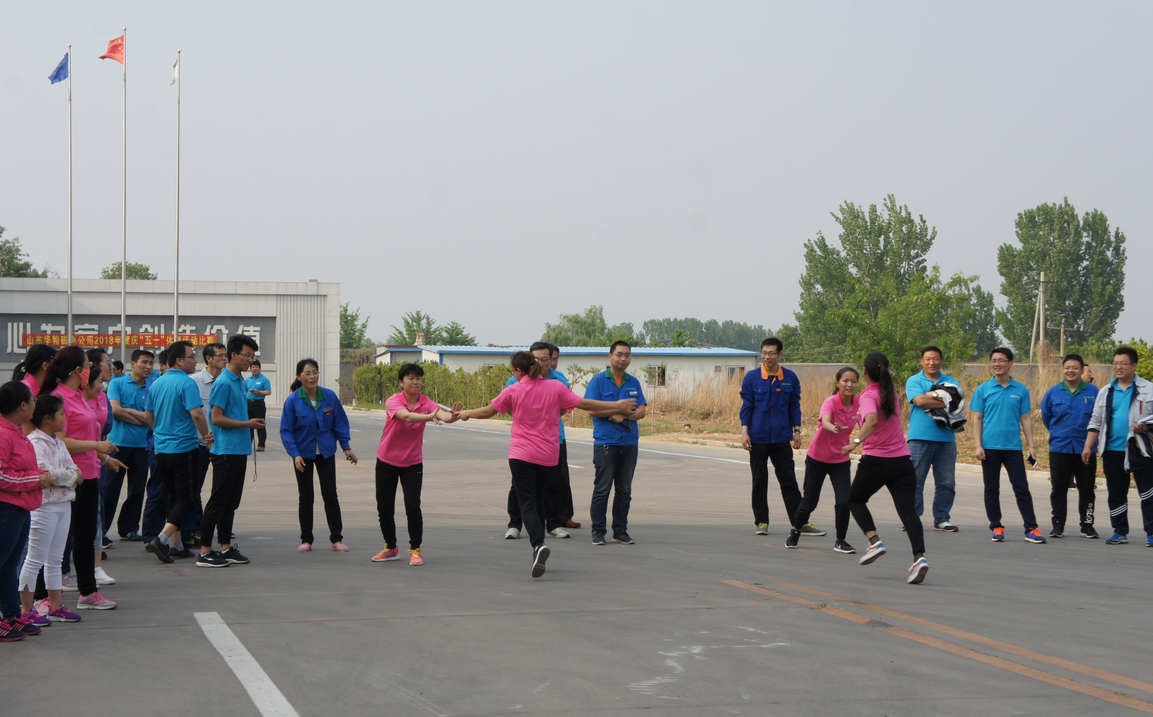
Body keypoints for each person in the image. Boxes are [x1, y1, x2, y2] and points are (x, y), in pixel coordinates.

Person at [461, 352, 634, 577]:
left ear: (518, 371)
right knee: (538, 498)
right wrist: (616, 405)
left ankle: (538, 545)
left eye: (512, 370)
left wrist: (465, 413)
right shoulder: (555, 387)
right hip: (549, 456)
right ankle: (539, 546)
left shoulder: (513, 390)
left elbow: (487, 411)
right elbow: (584, 403)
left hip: (522, 455)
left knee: (527, 502)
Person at [45, 346, 123, 609]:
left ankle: (88, 592)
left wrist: (103, 458)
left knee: (86, 536)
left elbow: (85, 436)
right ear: (78, 370)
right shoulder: (58, 398)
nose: (93, 369)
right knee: (59, 539)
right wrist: (96, 445)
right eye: (89, 365)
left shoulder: (80, 396)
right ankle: (43, 597)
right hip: (69, 479)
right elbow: (61, 441)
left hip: (90, 475)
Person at [842, 353, 929, 585]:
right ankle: (919, 558)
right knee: (908, 512)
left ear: (865, 372)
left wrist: (854, 442)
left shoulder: (868, 395)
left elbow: (871, 421)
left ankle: (874, 541)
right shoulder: (891, 393)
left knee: (855, 500)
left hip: (877, 461)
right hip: (903, 461)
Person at [371, 363, 460, 567]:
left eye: (418, 378)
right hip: (387, 460)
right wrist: (429, 417)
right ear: (401, 382)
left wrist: (453, 417)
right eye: (410, 378)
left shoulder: (426, 402)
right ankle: (391, 548)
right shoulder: (394, 401)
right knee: (384, 508)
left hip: (412, 463)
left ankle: (415, 550)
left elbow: (443, 415)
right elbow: (407, 416)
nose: (415, 382)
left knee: (413, 506)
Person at [739, 338, 823, 537]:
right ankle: (761, 521)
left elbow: (794, 405)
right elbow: (747, 406)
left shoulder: (790, 377)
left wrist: (797, 431)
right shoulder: (752, 377)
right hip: (758, 438)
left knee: (788, 480)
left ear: (780, 354)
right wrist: (744, 432)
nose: (767, 357)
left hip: (781, 438)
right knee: (759, 480)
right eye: (764, 352)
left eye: (771, 353)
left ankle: (800, 522)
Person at [198, 335, 264, 568]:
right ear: (233, 355)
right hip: (226, 450)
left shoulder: (240, 381)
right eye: (247, 355)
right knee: (218, 501)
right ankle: (205, 551)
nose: (250, 360)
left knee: (231, 502)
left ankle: (225, 548)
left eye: (253, 356)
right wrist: (247, 424)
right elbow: (216, 418)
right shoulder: (224, 382)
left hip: (238, 450)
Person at [143, 341, 212, 563]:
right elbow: (197, 414)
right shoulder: (187, 383)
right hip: (184, 448)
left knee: (174, 497)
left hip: (161, 450)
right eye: (192, 356)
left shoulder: (157, 383)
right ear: (179, 360)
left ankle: (177, 545)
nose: (195, 360)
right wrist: (208, 437)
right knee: (188, 499)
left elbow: (148, 416)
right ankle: (161, 539)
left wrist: (161, 433)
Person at [280, 359, 357, 553]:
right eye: (307, 373)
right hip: (303, 455)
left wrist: (346, 447)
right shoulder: (293, 401)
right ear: (299, 377)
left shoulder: (329, 396)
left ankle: (337, 539)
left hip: (326, 452)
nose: (312, 376)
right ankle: (306, 539)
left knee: (330, 495)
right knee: (306, 497)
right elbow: (286, 431)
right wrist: (295, 454)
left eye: (315, 372)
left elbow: (339, 422)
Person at [19, 395, 83, 624]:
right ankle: (26, 610)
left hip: (63, 504)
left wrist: (66, 476)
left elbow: (75, 471)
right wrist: (69, 477)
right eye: (61, 414)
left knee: (55, 559)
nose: (65, 418)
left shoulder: (58, 442)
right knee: (34, 559)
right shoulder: (35, 442)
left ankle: (56, 606)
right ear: (48, 418)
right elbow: (46, 475)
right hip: (43, 507)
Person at [970, 347, 1045, 544]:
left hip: (1013, 448)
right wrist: (978, 445)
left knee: (1022, 488)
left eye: (1001, 360)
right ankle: (996, 526)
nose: (997, 364)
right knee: (991, 488)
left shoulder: (1021, 390)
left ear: (1011, 363)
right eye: (994, 360)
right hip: (989, 448)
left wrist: (1031, 447)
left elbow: (1026, 418)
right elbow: (977, 419)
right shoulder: (983, 389)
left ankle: (1031, 528)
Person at [1083, 346, 1153, 546]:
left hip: (1140, 450)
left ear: (1134, 365)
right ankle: (1119, 531)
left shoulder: (1149, 389)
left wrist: (1146, 427)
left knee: (1148, 492)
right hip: (1113, 450)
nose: (1118, 367)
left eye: (1123, 363)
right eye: (1115, 363)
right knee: (1116, 493)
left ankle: (1151, 532)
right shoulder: (1106, 391)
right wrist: (1088, 446)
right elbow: (1096, 421)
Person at [0, 381, 54, 641]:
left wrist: (38, 475)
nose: (35, 403)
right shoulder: (4, 434)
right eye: (33, 400)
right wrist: (35, 479)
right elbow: (1, 475)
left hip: (20, 508)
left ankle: (11, 615)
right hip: (6, 509)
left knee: (9, 565)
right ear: (22, 405)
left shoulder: (17, 432)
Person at [503, 342, 573, 540]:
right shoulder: (514, 380)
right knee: (519, 487)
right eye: (536, 359)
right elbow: (507, 406)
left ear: (552, 360)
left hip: (554, 439)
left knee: (553, 483)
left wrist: (547, 416)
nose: (541, 363)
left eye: (546, 359)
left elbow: (567, 406)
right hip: (525, 444)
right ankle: (515, 524)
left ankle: (553, 523)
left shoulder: (559, 380)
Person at [786, 367, 859, 553]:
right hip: (818, 458)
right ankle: (795, 530)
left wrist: (859, 442)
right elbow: (825, 420)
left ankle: (840, 540)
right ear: (838, 383)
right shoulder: (831, 402)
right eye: (845, 381)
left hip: (840, 459)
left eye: (853, 381)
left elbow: (867, 424)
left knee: (844, 501)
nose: (849, 384)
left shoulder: (858, 404)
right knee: (810, 501)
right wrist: (832, 427)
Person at [583, 341, 649, 545]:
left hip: (629, 443)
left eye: (627, 355)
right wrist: (617, 409)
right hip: (606, 442)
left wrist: (625, 416)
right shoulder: (598, 381)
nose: (623, 359)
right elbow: (591, 410)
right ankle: (598, 531)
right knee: (602, 489)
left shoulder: (633, 382)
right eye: (619, 354)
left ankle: (620, 531)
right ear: (610, 356)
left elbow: (641, 411)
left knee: (624, 490)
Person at [1040, 354, 1100, 539]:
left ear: (1082, 370)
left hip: (1086, 448)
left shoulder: (1094, 392)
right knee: (1058, 488)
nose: (1070, 371)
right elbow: (1046, 417)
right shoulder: (1053, 392)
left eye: (1075, 367)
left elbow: (1100, 418)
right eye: (1067, 367)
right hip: (1060, 447)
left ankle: (1087, 525)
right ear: (1063, 369)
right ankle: (1058, 525)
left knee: (1087, 488)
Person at [905, 346, 962, 532]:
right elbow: (919, 401)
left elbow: (958, 402)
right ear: (922, 361)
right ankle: (912, 518)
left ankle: (942, 518)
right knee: (915, 481)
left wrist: (930, 396)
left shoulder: (951, 381)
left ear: (941, 361)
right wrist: (944, 399)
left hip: (946, 439)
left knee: (946, 482)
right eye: (928, 359)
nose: (932, 362)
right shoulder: (914, 380)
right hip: (919, 438)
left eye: (935, 358)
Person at [103, 349, 154, 544]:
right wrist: (144, 419)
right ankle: (102, 531)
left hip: (143, 445)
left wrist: (130, 412)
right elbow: (115, 410)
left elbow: (154, 415)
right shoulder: (117, 383)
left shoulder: (153, 386)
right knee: (110, 488)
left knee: (137, 489)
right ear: (133, 364)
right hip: (118, 444)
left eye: (151, 363)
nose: (148, 367)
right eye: (144, 362)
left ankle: (129, 528)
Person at [187, 342, 227, 546]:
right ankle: (197, 526)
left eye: (226, 355)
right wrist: (206, 438)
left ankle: (222, 525)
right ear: (209, 358)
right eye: (220, 355)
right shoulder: (193, 382)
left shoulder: (229, 381)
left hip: (224, 445)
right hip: (200, 444)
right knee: (194, 488)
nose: (224, 358)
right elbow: (193, 414)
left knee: (223, 488)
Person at [12, 344, 57, 411]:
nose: (57, 369)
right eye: (55, 365)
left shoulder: (41, 388)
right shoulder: (25, 390)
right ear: (45, 366)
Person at [245, 359, 271, 452]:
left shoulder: (264, 379)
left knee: (260, 424)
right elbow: (244, 391)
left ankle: (261, 445)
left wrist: (259, 392)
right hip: (249, 403)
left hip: (259, 403)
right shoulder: (248, 379)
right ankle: (248, 444)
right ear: (250, 368)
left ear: (260, 368)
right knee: (248, 424)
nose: (254, 369)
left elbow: (268, 392)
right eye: (253, 367)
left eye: (256, 367)